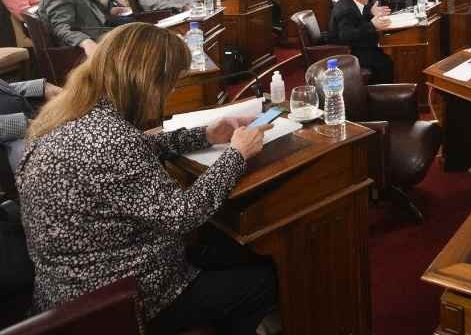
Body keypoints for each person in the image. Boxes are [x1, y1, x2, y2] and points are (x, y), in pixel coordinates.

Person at [16, 23, 276, 334]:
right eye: (169, 86)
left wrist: (205, 135)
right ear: (147, 82)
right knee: (262, 281)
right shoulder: (112, 139)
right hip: (122, 301)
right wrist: (236, 154)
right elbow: (183, 215)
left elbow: (133, 149)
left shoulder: (71, 114)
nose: (168, 96)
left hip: (68, 288)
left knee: (222, 247)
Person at [327, 0, 394, 84]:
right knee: (385, 63)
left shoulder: (352, 2)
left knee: (386, 55)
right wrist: (372, 25)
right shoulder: (346, 10)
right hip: (349, 51)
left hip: (359, 45)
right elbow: (347, 35)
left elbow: (358, 20)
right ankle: (379, 95)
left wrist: (371, 13)